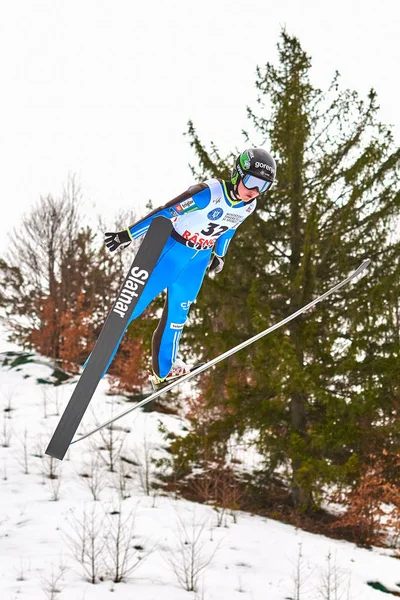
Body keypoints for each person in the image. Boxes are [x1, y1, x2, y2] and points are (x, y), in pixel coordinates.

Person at [104, 148, 276, 385]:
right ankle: (98, 360)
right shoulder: (208, 194)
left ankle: (164, 370)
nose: (254, 191)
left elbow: (229, 227)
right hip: (173, 251)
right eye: (252, 182)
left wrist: (219, 255)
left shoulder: (249, 206)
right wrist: (128, 234)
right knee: (132, 306)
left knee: (177, 316)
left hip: (198, 261)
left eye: (263, 186)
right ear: (238, 174)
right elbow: (166, 212)